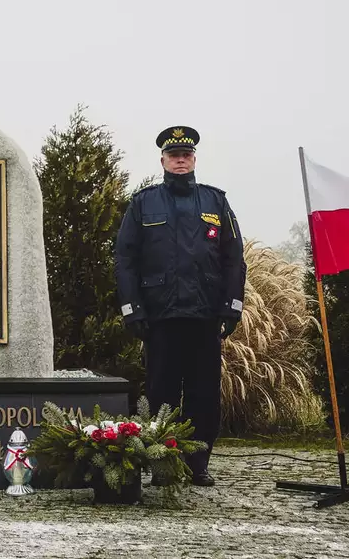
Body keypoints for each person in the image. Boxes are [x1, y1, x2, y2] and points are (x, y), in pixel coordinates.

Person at [114, 126, 245, 486]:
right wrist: (132, 309)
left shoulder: (215, 201)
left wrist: (232, 306)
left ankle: (197, 464)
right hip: (160, 318)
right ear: (163, 160)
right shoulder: (144, 203)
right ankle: (163, 463)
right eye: (174, 155)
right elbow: (125, 259)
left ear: (194, 159)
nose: (180, 160)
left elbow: (234, 257)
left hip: (204, 317)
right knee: (162, 395)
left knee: (204, 395)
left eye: (186, 154)